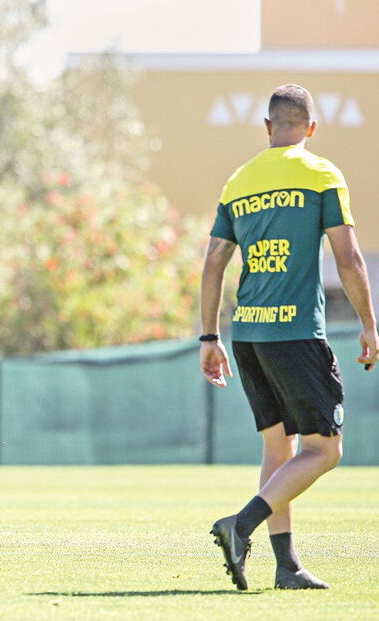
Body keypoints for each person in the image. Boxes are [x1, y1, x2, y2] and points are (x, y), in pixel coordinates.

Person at [199, 84, 378, 590]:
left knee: (279, 451)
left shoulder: (239, 181)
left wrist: (209, 336)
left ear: (267, 128)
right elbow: (348, 256)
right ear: (312, 128)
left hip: (247, 335)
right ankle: (241, 525)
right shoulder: (322, 174)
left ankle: (286, 566)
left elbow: (214, 259)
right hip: (295, 333)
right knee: (326, 450)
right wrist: (368, 323)